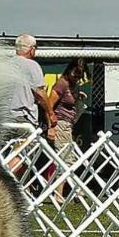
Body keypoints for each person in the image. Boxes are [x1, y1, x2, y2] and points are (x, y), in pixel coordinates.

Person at [8, 34, 57, 179]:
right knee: (23, 154)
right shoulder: (31, 65)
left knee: (7, 153)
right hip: (23, 118)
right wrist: (50, 113)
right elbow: (40, 93)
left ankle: (16, 190)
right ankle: (5, 183)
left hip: (4, 117)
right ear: (31, 49)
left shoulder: (5, 64)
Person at [49, 58, 88, 203]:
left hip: (68, 126)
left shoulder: (72, 85)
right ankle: (60, 195)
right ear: (69, 69)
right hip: (60, 124)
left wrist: (77, 96)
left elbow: (68, 101)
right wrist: (51, 127)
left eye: (80, 75)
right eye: (75, 73)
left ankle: (73, 192)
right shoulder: (62, 84)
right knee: (66, 160)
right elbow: (49, 105)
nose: (77, 77)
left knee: (69, 159)